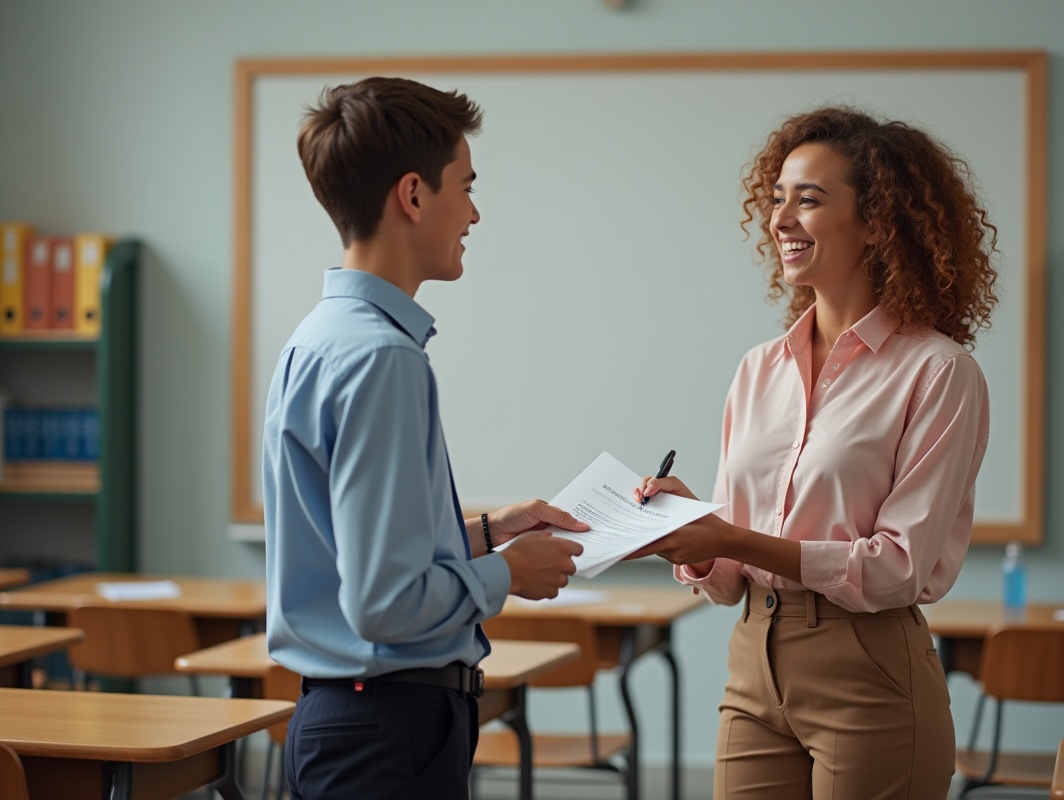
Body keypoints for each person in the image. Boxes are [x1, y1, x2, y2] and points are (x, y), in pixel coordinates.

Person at [631, 107, 996, 800]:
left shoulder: (939, 372)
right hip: (753, 661)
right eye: (777, 199)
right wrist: (692, 534)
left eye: (809, 199)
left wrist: (731, 537)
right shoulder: (758, 369)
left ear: (876, 221)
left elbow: (896, 568)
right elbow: (729, 578)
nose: (780, 219)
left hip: (869, 669)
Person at [262, 77, 588, 800]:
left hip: (347, 720)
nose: (473, 213)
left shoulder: (319, 336)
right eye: (465, 188)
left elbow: (358, 559)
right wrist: (510, 572)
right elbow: (384, 604)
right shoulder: (384, 357)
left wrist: (485, 534)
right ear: (413, 195)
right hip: (388, 732)